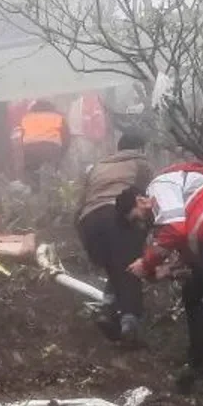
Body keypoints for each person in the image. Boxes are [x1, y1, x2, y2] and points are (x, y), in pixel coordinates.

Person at [118, 163, 203, 400]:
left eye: (137, 218)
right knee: (193, 293)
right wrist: (167, 270)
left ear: (141, 200)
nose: (142, 225)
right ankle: (196, 368)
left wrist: (146, 263)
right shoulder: (183, 191)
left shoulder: (158, 186)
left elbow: (176, 230)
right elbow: (190, 250)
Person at [75, 132, 153, 342]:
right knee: (131, 266)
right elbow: (146, 197)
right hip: (116, 215)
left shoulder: (98, 166)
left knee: (115, 266)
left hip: (88, 221)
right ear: (140, 149)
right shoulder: (140, 163)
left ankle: (108, 310)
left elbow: (82, 200)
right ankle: (130, 323)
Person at [14, 99, 68, 191]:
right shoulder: (58, 117)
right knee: (52, 172)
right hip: (51, 148)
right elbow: (66, 137)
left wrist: (25, 152)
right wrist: (61, 155)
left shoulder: (27, 117)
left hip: (31, 148)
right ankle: (52, 191)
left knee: (32, 173)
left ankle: (34, 191)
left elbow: (22, 137)